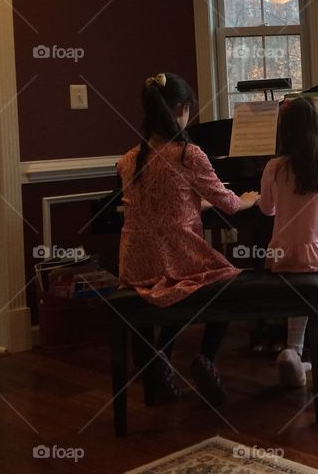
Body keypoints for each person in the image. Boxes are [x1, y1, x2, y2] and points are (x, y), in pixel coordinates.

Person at [117, 72, 259, 406]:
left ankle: (156, 361)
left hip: (134, 264)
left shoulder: (127, 161)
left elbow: (160, 202)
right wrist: (250, 199)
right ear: (181, 109)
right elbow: (229, 203)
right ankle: (204, 358)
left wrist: (194, 202)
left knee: (175, 292)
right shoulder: (188, 154)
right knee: (223, 283)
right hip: (175, 258)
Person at [258, 96, 318, 388]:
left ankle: (293, 352)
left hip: (284, 254)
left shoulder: (274, 167)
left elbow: (266, 208)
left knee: (297, 299)